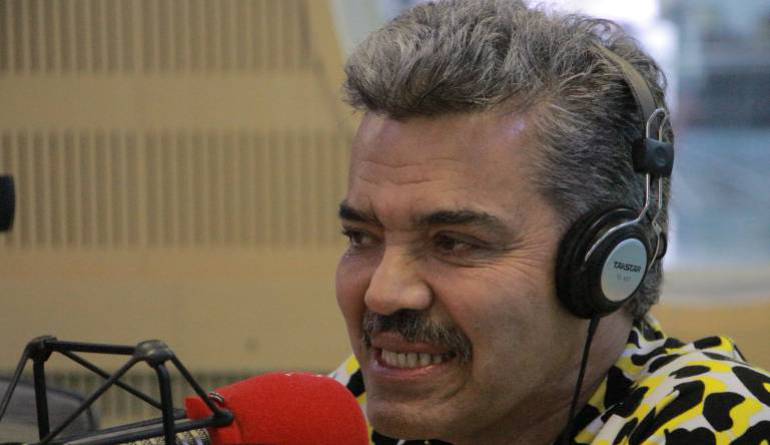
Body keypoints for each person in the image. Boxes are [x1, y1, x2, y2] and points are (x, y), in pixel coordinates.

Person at [330, 1, 770, 444]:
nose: (382, 294)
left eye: (453, 243)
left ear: (602, 263)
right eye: (362, 237)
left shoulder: (721, 425)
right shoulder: (346, 407)